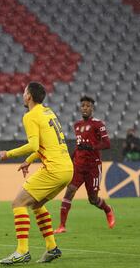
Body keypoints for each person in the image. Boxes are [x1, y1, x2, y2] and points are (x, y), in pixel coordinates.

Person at [0, 82, 73, 265]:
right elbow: (45, 144)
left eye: (24, 92)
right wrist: (29, 161)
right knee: (37, 204)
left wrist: (8, 154)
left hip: (53, 169)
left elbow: (33, 145)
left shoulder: (30, 115)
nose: (23, 95)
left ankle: (22, 251)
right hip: (67, 169)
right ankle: (52, 247)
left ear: (29, 96)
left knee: (18, 203)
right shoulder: (48, 112)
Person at [54, 95, 114, 234]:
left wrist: (92, 147)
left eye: (88, 106)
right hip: (79, 165)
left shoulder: (98, 124)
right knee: (70, 191)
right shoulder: (77, 125)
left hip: (93, 166)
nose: (85, 108)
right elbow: (79, 146)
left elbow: (107, 144)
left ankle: (108, 210)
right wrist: (69, 158)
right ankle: (62, 226)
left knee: (93, 199)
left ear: (92, 108)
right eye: (83, 106)